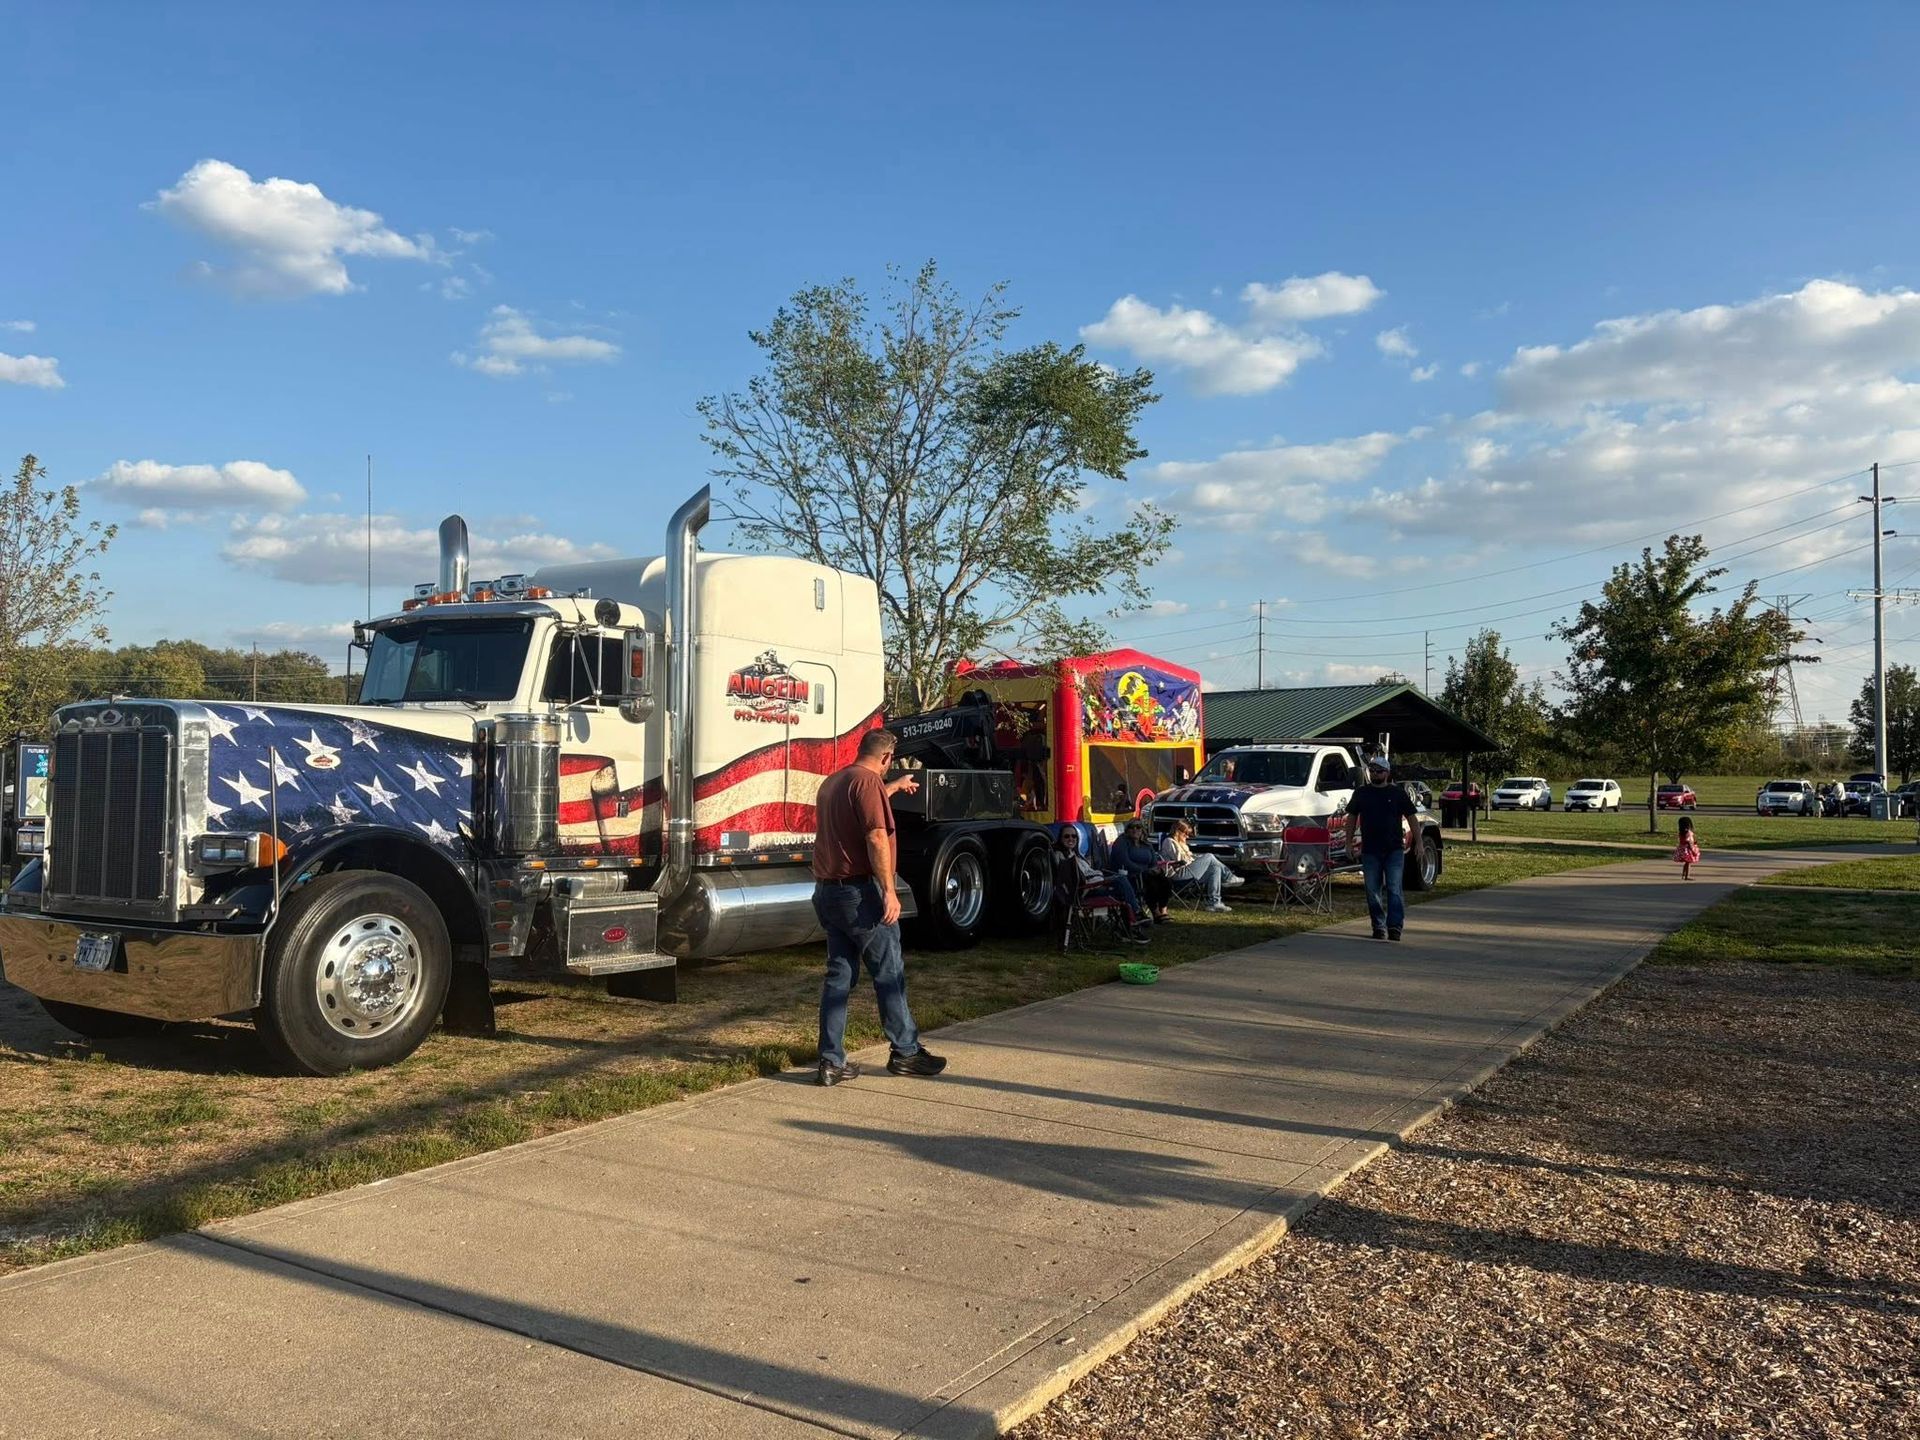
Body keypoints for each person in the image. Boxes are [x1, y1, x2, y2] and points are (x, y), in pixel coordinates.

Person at [810, 728, 947, 1086]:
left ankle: (830, 1061)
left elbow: (859, 811)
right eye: (891, 766)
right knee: (889, 973)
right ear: (886, 757)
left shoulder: (835, 782)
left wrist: (895, 786)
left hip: (828, 893)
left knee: (838, 977)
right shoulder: (868, 785)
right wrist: (889, 890)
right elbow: (874, 835)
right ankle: (905, 1052)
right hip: (859, 895)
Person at [1343, 754, 1418, 941]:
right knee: (1372, 890)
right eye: (1372, 770)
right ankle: (1379, 926)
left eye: (1379, 770)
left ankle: (1395, 927)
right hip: (1370, 850)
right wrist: (1348, 843)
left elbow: (1412, 818)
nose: (1375, 773)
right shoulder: (1361, 793)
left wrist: (1421, 844)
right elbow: (1351, 818)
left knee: (1394, 888)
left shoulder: (1397, 793)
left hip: (1394, 849)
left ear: (1387, 773)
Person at [1052, 829, 1150, 942]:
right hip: (1086, 891)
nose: (1071, 839)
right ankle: (1135, 918)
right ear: (1060, 839)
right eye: (1067, 836)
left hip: (1096, 884)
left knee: (1123, 889)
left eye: (1074, 836)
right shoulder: (1060, 856)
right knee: (1121, 881)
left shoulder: (1076, 855)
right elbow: (1073, 879)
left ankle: (1130, 928)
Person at [1159, 818, 1242, 913]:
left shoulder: (1181, 843)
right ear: (1178, 831)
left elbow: (1189, 858)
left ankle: (1214, 903)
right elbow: (1180, 861)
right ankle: (1228, 876)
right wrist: (1192, 857)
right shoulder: (1169, 842)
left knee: (1215, 869)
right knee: (1209, 856)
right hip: (1178, 874)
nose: (1187, 836)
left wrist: (1192, 856)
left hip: (1188, 871)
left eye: (1188, 834)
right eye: (1185, 833)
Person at [1113, 819, 1172, 922]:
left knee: (1165, 881)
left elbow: (1153, 862)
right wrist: (1143, 870)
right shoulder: (1122, 842)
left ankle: (1163, 910)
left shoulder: (1146, 844)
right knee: (1151, 882)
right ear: (1127, 830)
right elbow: (1124, 861)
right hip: (1131, 875)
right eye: (1132, 827)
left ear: (1142, 830)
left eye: (1138, 827)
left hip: (1147, 873)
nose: (1135, 829)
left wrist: (1155, 870)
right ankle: (1155, 913)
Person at [1673, 814, 1701, 880]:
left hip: (1682, 848)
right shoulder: (1688, 832)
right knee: (1688, 863)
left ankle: (1683, 875)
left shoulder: (1681, 832)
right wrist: (1692, 848)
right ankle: (1687, 876)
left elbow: (1682, 840)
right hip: (1688, 849)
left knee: (1686, 863)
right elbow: (1689, 840)